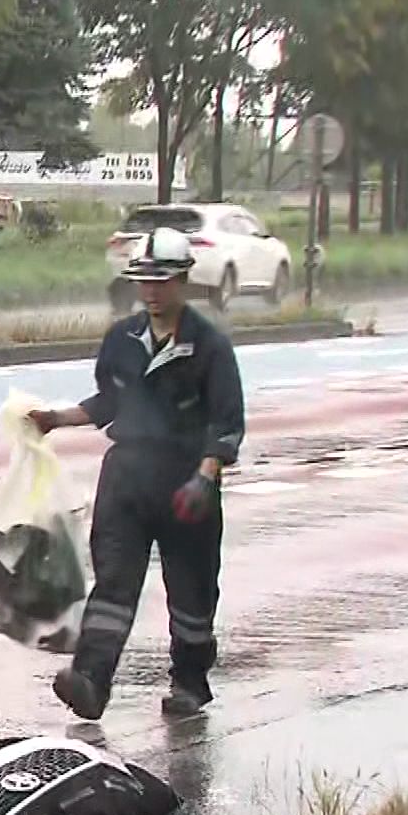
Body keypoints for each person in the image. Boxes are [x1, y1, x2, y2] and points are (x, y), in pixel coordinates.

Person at [26, 227, 245, 721]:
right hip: (127, 477)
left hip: (186, 481)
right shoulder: (121, 339)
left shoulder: (209, 346)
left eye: (162, 280)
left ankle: (189, 682)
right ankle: (91, 680)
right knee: (113, 583)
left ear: (184, 280)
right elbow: (109, 402)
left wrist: (205, 476)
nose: (151, 290)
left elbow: (228, 422)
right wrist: (56, 419)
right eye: (144, 280)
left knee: (191, 592)